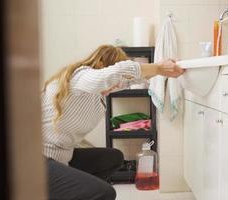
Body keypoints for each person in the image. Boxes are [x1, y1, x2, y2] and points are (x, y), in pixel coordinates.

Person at [41, 44, 184, 200]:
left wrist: (166, 70)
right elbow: (117, 74)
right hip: (37, 160)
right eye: (116, 79)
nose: (118, 85)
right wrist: (158, 67)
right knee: (104, 192)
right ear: (101, 65)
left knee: (112, 158)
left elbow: (128, 80)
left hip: (62, 158)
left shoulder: (98, 93)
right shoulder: (79, 77)